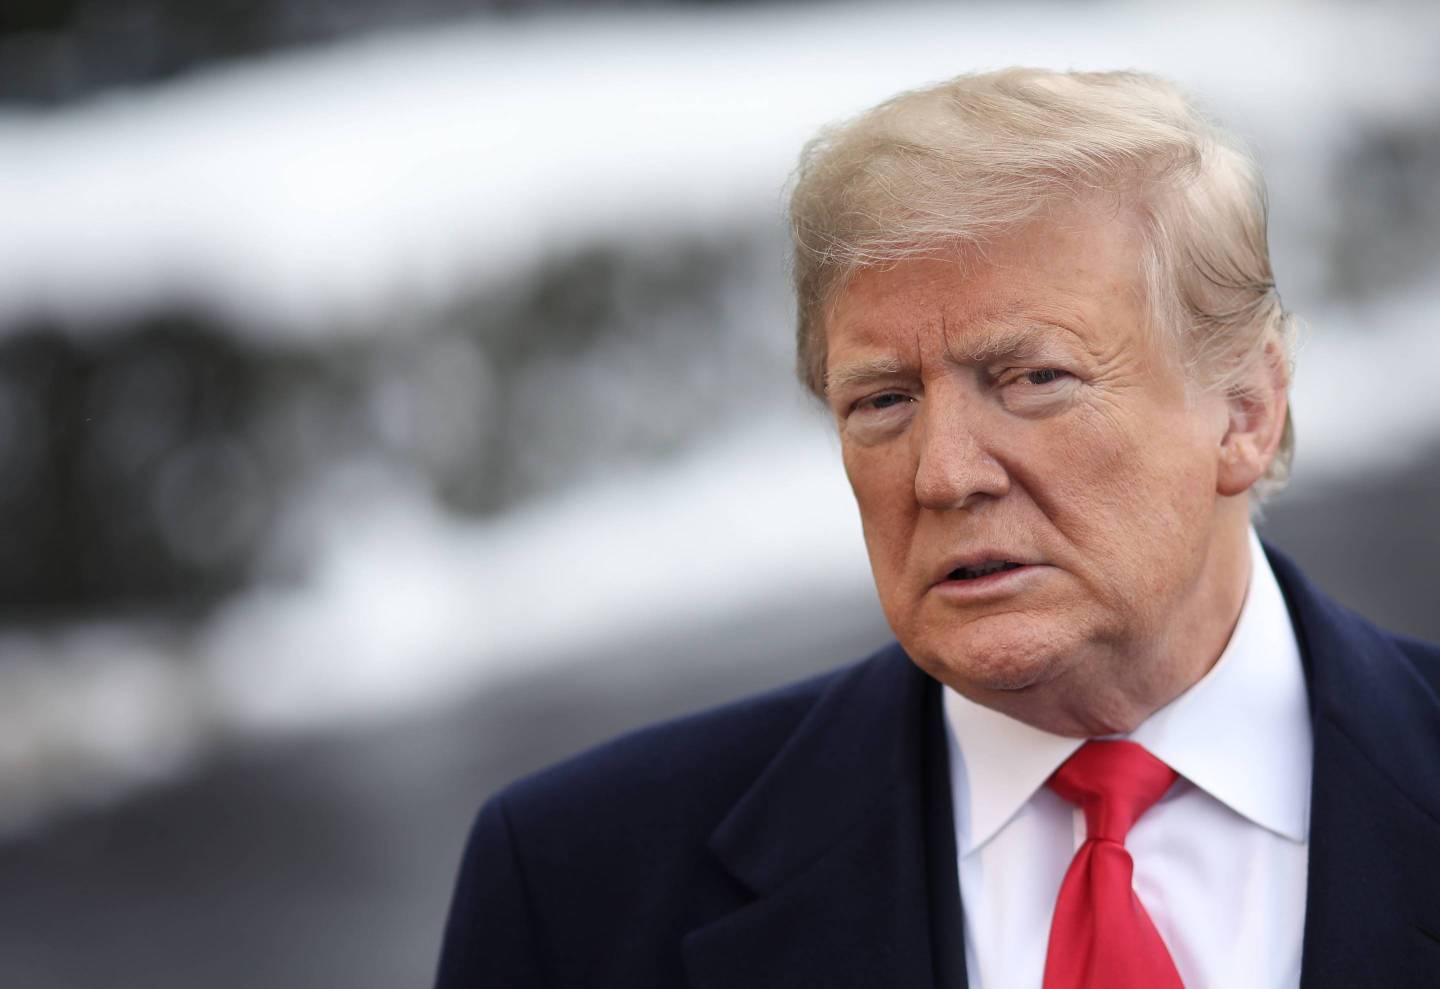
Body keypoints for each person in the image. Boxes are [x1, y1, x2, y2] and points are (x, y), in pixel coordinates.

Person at [434, 69, 1440, 989]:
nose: (945, 472)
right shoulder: (582, 884)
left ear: (1246, 411)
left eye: (1034, 378)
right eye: (880, 400)